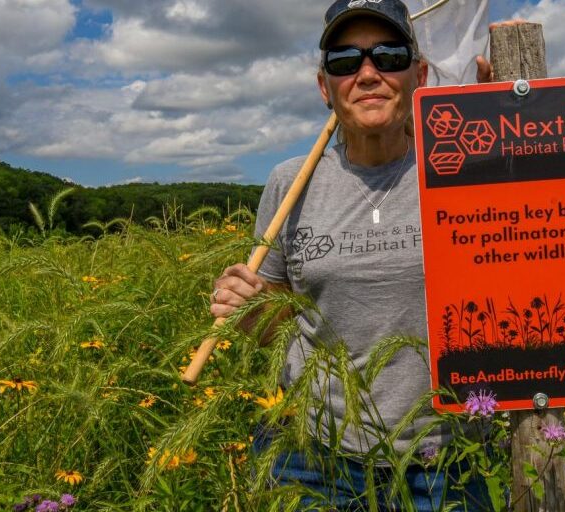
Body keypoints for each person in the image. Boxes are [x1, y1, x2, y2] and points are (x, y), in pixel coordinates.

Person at [209, 0, 494, 509]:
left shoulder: (465, 169)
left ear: (420, 74)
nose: (367, 73)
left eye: (388, 56)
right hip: (313, 455)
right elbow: (279, 320)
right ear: (325, 87)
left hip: (444, 459)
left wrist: (520, 104)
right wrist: (249, 310)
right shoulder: (290, 184)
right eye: (344, 61)